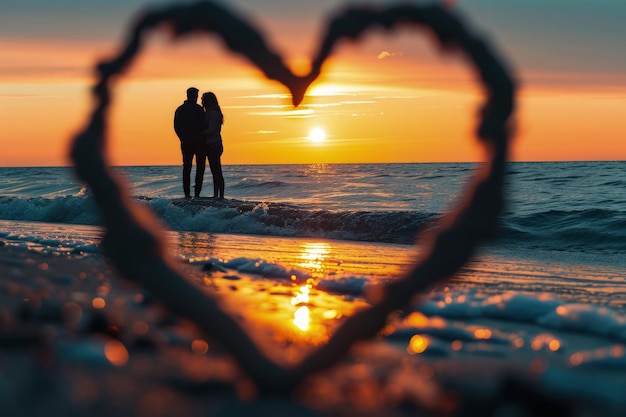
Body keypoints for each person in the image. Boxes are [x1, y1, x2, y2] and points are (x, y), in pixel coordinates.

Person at [174, 87, 207, 199]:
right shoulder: (198, 109)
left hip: (185, 141)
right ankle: (197, 193)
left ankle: (187, 193)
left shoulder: (180, 109)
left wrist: (182, 137)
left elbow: (176, 126)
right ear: (195, 96)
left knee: (187, 167)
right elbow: (203, 125)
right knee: (200, 167)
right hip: (199, 142)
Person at [201, 92, 225, 199]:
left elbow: (212, 130)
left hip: (214, 144)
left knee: (216, 171)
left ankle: (220, 195)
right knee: (215, 171)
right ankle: (217, 195)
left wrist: (199, 133)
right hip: (212, 144)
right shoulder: (211, 113)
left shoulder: (213, 113)